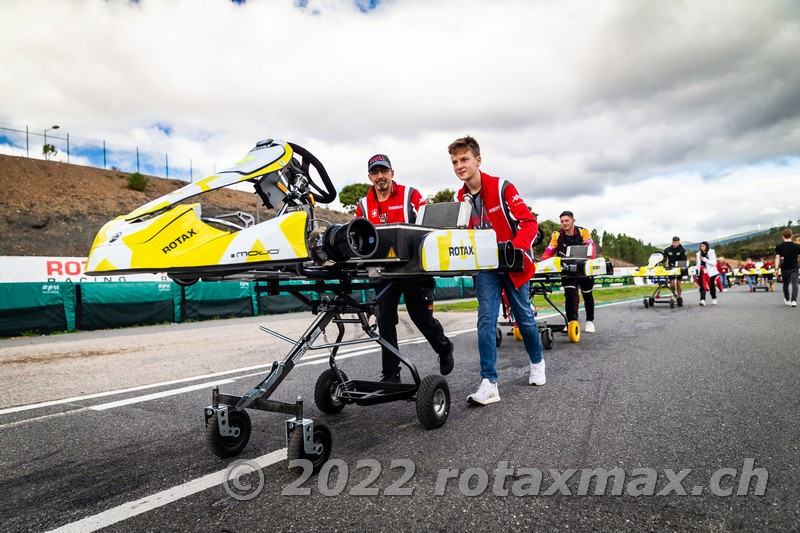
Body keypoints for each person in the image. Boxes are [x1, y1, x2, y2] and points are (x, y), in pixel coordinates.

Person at [448, 135, 544, 405]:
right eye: (455, 162)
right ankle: (489, 382)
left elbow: (529, 223)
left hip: (514, 265)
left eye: (464, 159)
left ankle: (537, 362)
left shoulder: (502, 187)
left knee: (523, 317)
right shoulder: (460, 197)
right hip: (486, 268)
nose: (459, 165)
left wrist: (514, 248)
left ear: (478, 161)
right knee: (486, 319)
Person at [354, 153, 454, 382]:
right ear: (370, 176)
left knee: (421, 318)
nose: (380, 176)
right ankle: (391, 374)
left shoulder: (410, 195)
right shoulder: (363, 205)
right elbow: (356, 234)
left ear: (392, 172)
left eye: (384, 171)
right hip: (381, 272)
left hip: (414, 269)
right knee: (385, 321)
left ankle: (444, 347)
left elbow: (429, 223)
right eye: (375, 172)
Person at [540, 211, 597, 332]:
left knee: (587, 294)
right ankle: (571, 322)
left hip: (584, 269)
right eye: (562, 221)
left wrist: (590, 261)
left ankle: (590, 321)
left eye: (567, 220)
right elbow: (549, 251)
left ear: (573, 221)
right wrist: (542, 263)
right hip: (567, 270)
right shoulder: (557, 235)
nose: (564, 223)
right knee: (570, 295)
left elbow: (592, 247)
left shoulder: (583, 232)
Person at [774, 228, 800, 307]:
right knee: (794, 284)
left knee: (785, 284)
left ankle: (787, 299)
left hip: (784, 268)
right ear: (791, 235)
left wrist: (776, 269)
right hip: (794, 268)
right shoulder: (797, 246)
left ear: (782, 236)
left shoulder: (779, 246)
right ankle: (793, 301)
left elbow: (777, 258)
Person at [662, 236, 687, 301]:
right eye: (674, 243)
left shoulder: (682, 250)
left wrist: (682, 268)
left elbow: (684, 261)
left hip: (680, 268)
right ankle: (674, 294)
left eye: (677, 243)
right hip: (671, 269)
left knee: (678, 284)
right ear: (672, 242)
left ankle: (679, 296)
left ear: (679, 242)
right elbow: (663, 259)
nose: (675, 244)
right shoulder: (667, 250)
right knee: (672, 284)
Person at [696, 241, 719, 305]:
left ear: (706, 246)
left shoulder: (711, 252)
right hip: (702, 272)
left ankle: (714, 298)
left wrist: (704, 259)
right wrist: (696, 272)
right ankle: (702, 300)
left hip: (710, 272)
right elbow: (697, 264)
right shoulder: (698, 253)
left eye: (703, 246)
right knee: (702, 286)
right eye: (701, 246)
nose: (701, 247)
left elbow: (714, 263)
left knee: (711, 286)